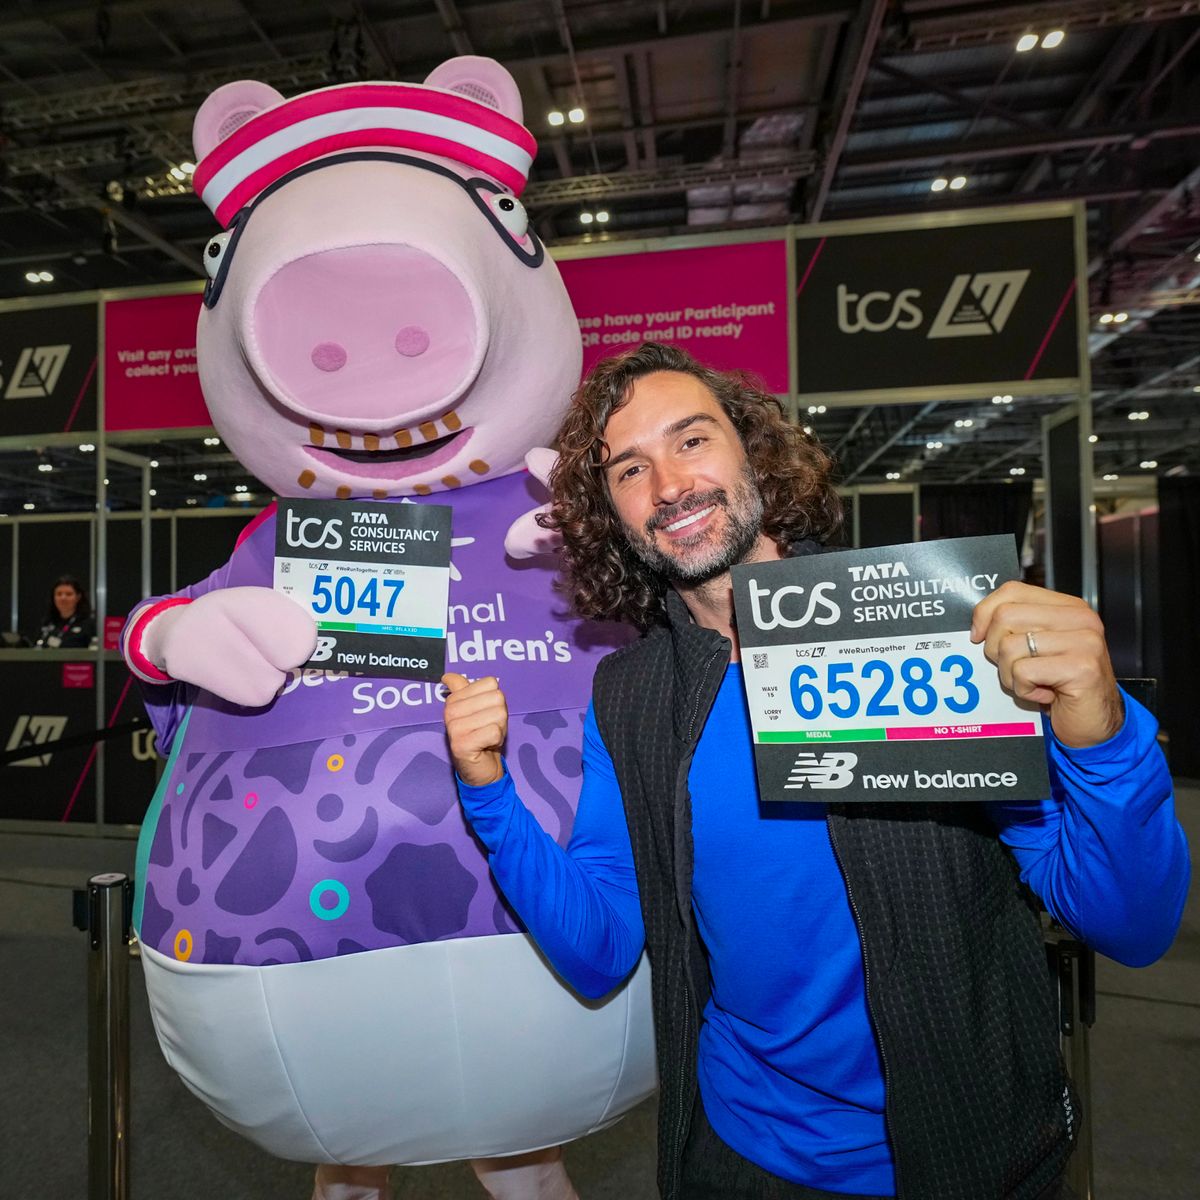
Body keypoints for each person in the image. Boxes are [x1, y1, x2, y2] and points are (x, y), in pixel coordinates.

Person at [442, 341, 1189, 1200]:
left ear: (752, 452)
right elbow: (602, 949)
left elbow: (1131, 926)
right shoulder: (632, 695)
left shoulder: (933, 631)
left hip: (971, 1151)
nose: (671, 486)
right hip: (740, 1157)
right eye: (629, 471)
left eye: (693, 441)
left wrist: (1101, 741)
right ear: (611, 514)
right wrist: (489, 790)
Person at [35, 574, 96, 648]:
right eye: (59, 594)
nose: (63, 598)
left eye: (69, 594)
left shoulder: (88, 624)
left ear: (78, 597)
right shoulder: (47, 623)